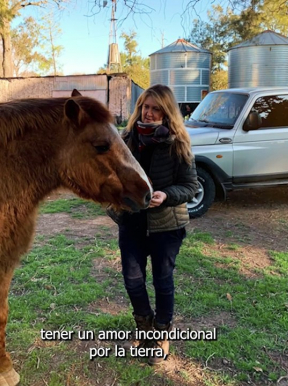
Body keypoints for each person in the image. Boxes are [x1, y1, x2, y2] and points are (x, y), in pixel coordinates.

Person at [107, 84, 198, 365]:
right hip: (132, 222)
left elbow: (191, 186)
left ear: (167, 112)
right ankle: (144, 327)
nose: (148, 112)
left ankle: (161, 332)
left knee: (163, 281)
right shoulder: (125, 139)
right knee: (133, 281)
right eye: (145, 106)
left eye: (156, 108)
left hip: (166, 226)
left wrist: (167, 195)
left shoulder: (178, 143)